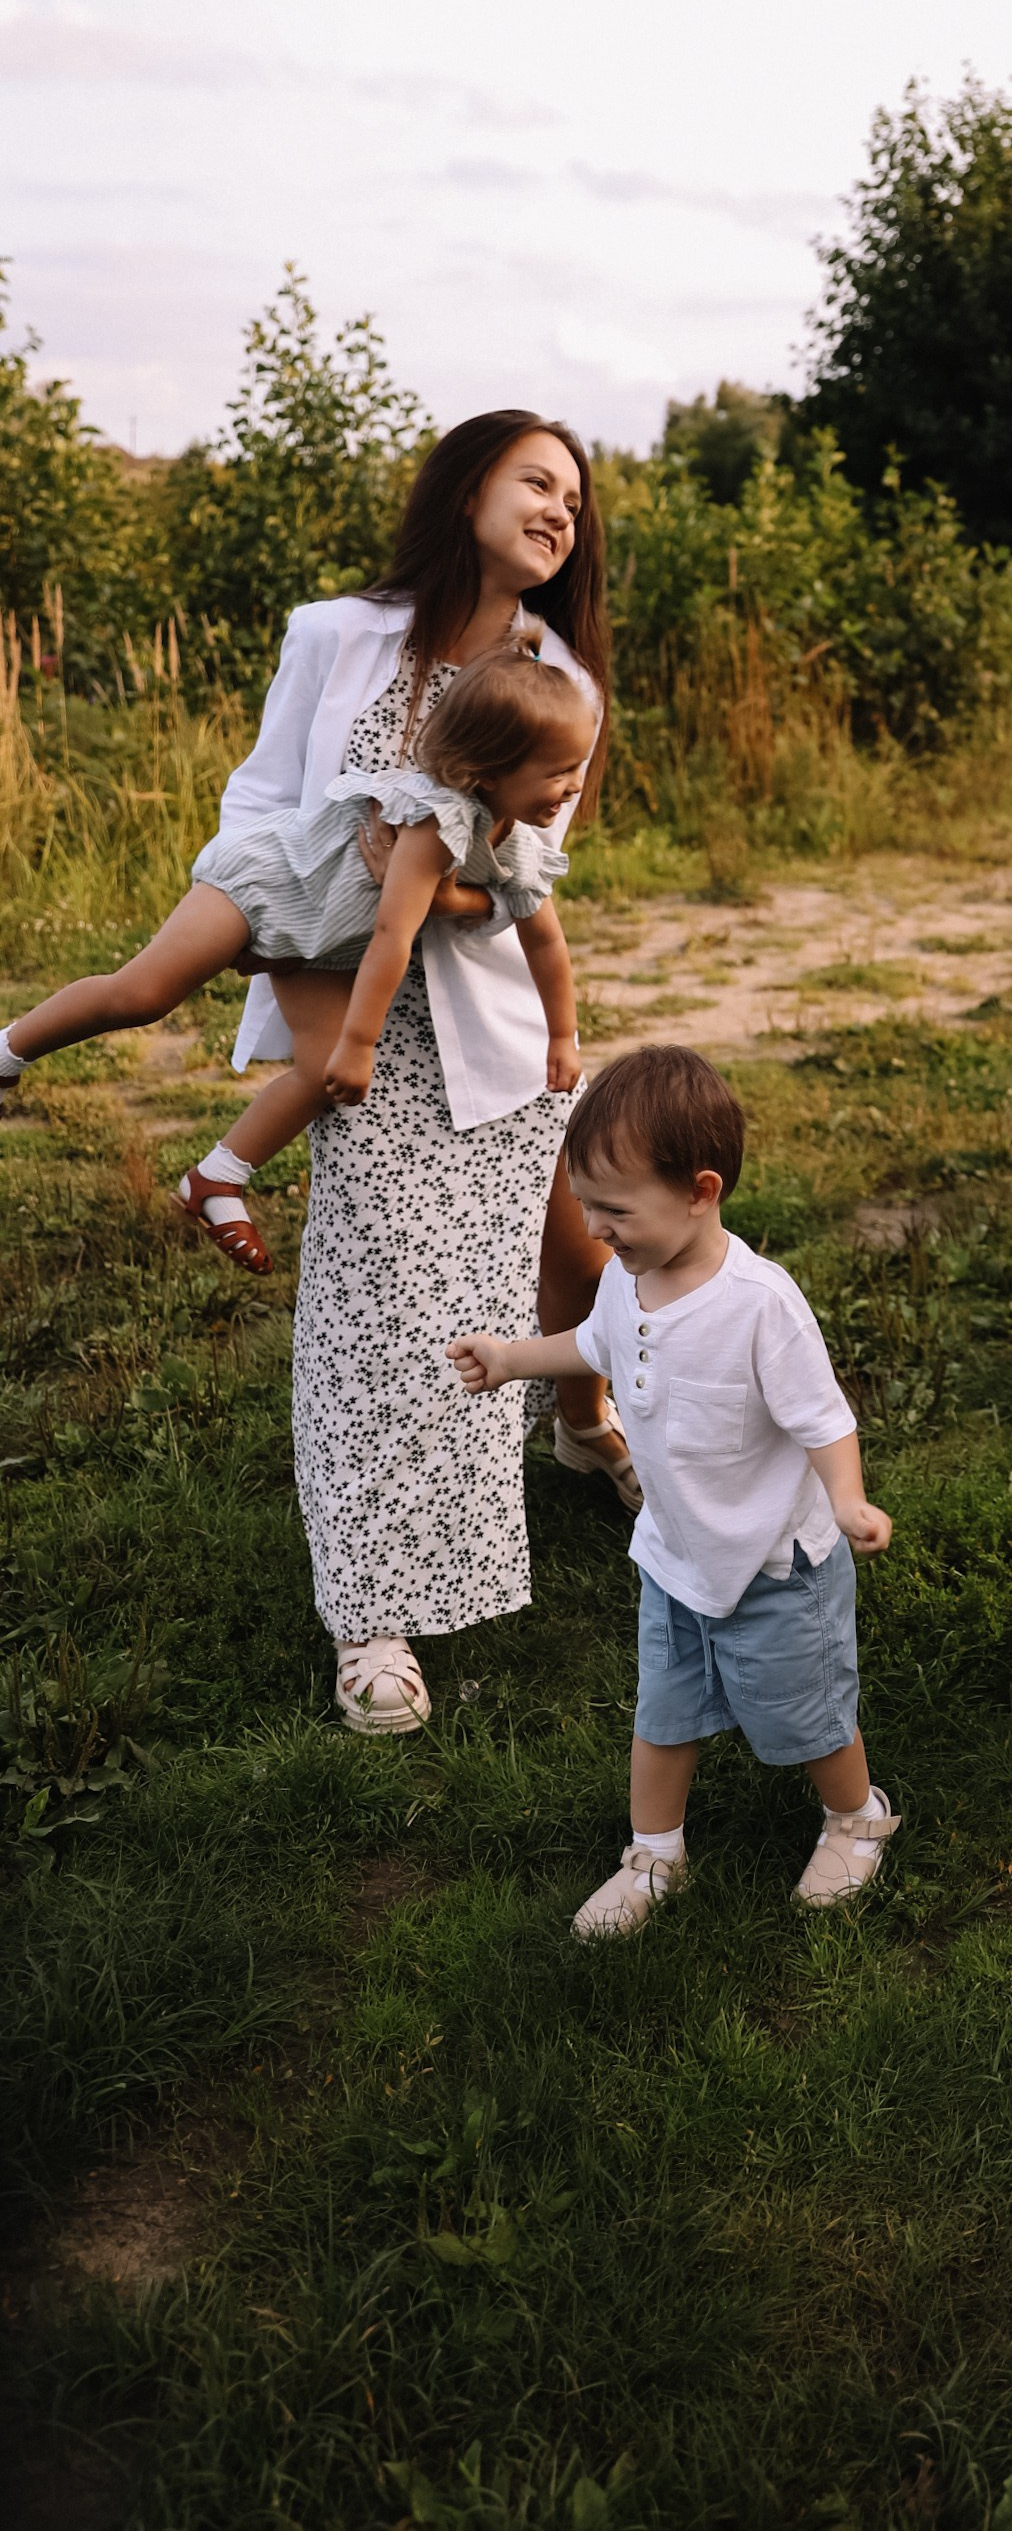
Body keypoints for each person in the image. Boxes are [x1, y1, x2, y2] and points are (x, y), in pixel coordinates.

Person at [195, 411, 636, 1734]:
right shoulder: (335, 631)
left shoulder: (565, 675)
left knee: (559, 1239)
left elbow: (528, 877)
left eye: (575, 497)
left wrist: (450, 904)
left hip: (498, 1013)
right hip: (356, 1014)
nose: (560, 508)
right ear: (466, 489)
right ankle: (373, 1609)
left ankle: (583, 1417)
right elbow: (261, 804)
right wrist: (269, 943)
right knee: (384, 1297)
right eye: (535, 480)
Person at [450, 1046, 898, 1936]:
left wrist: (845, 1499)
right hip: (673, 1556)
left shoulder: (760, 1305)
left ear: (700, 1190)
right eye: (584, 1204)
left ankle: (857, 1816)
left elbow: (823, 1419)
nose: (595, 1227)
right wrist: (509, 1360)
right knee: (664, 1712)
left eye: (614, 1209)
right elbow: (592, 1346)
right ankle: (655, 1851)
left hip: (775, 1568)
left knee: (807, 1714)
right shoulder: (627, 1278)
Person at [0, 645, 592, 1189]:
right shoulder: (437, 822)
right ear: (489, 771)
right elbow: (393, 933)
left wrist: (562, 1035)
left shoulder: (517, 846)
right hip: (272, 882)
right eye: (558, 771)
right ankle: (10, 1049)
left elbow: (545, 943)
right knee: (144, 995)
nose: (572, 787)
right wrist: (361, 1042)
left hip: (321, 943)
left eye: (577, 767)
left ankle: (217, 1179)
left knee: (320, 1078)